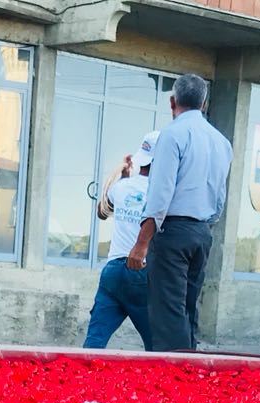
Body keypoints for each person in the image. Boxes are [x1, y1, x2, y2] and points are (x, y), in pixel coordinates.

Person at [125, 73, 233, 352]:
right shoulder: (222, 142)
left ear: (172, 101)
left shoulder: (172, 134)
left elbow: (160, 194)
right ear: (204, 103)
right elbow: (220, 197)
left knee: (168, 313)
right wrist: (203, 227)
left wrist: (141, 243)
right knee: (188, 310)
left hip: (173, 232)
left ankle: (173, 381)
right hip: (202, 233)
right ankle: (190, 376)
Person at [83, 131, 158, 351]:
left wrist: (124, 177)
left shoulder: (123, 186)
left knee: (94, 344)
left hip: (113, 272)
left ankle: (82, 382)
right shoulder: (161, 191)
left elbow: (102, 212)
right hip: (141, 272)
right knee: (157, 348)